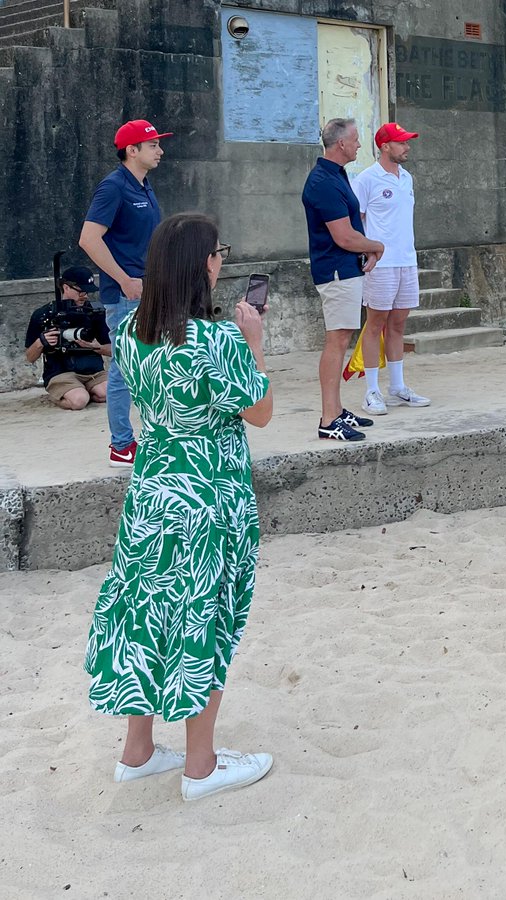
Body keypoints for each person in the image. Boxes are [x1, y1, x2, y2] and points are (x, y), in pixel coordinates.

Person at [84, 213, 274, 802]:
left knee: (146, 612)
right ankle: (200, 763)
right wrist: (255, 347)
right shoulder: (216, 342)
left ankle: (138, 750)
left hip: (152, 494)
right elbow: (259, 412)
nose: (222, 261)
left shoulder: (130, 336)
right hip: (209, 496)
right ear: (202, 265)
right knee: (204, 619)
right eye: (219, 252)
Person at [79, 119, 171, 467]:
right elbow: (89, 239)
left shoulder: (145, 186)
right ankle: (121, 445)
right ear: (132, 151)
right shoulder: (113, 187)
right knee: (124, 369)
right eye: (153, 145)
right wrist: (125, 280)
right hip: (125, 297)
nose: (160, 151)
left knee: (152, 365)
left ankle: (150, 435)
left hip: (149, 292)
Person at [302, 117, 384, 441]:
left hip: (345, 269)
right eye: (356, 139)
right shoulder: (323, 182)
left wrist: (367, 250)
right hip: (336, 270)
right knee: (336, 341)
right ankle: (328, 418)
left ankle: (335, 410)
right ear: (341, 144)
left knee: (341, 339)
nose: (359, 145)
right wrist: (377, 246)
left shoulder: (335, 175)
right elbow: (344, 237)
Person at [352, 121, 431, 415]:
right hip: (380, 265)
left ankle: (397, 387)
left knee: (398, 325)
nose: (407, 147)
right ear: (385, 147)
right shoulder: (366, 180)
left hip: (406, 261)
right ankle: (371, 391)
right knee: (375, 325)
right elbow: (355, 221)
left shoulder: (407, 178)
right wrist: (367, 253)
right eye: (401, 142)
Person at [24, 266, 111, 410]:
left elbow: (113, 350)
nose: (85, 295)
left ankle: (84, 392)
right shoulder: (44, 314)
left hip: (93, 371)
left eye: (88, 292)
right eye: (81, 291)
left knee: (109, 394)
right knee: (79, 401)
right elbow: (29, 357)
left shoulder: (94, 312)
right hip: (61, 372)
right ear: (66, 287)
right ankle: (66, 395)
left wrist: (95, 347)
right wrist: (41, 342)